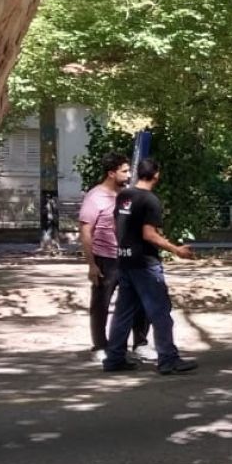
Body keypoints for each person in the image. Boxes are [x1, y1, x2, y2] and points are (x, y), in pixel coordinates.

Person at [105, 158, 199, 374]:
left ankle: (114, 358)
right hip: (145, 265)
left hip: (125, 261)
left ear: (138, 173)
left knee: (123, 313)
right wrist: (176, 249)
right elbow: (149, 234)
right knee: (160, 312)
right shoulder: (150, 200)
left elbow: (115, 225)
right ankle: (168, 359)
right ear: (156, 174)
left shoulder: (124, 196)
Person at [78, 152, 150, 364]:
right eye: (124, 171)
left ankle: (141, 344)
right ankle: (100, 346)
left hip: (130, 257)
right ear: (111, 173)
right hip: (106, 259)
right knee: (101, 304)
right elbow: (85, 231)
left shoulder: (127, 195)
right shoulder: (95, 197)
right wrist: (91, 264)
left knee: (141, 302)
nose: (129, 175)